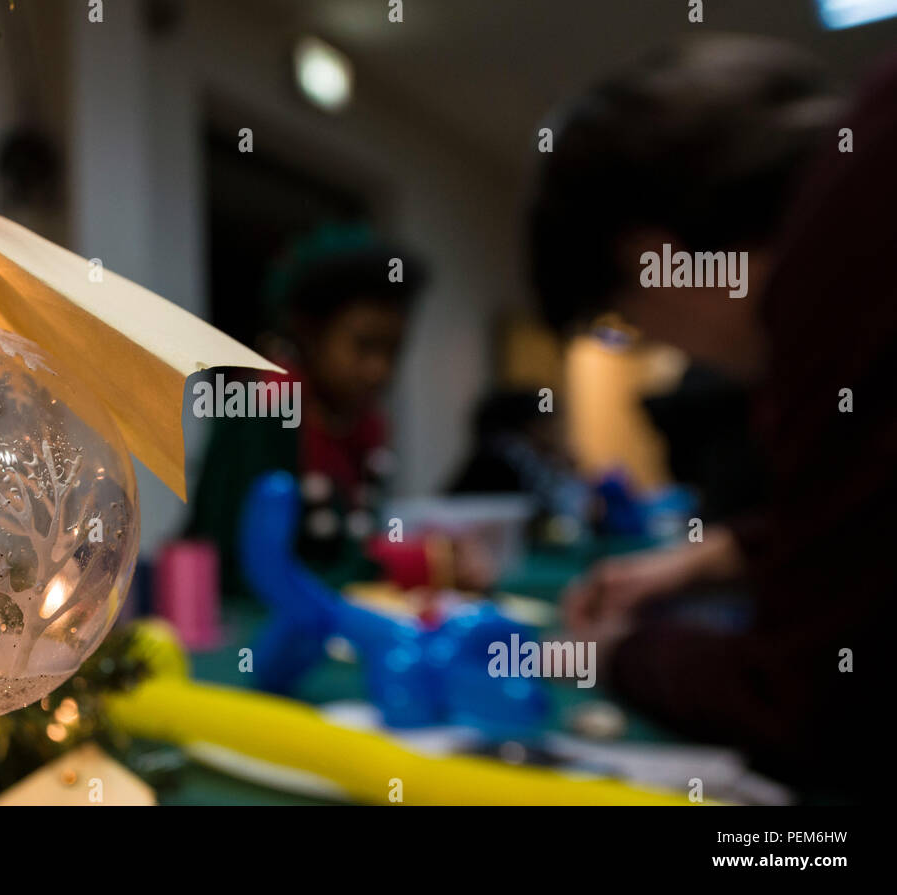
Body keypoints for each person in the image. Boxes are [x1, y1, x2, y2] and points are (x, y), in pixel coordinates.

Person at [530, 35, 885, 792]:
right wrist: (715, 554)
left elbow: (815, 708)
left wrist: (619, 652)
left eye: (629, 320)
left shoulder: (830, 277)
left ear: (650, 256)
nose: (654, 346)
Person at [187, 224, 492, 598]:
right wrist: (416, 565)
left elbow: (348, 549)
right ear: (309, 335)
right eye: (363, 347)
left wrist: (433, 555)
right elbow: (247, 576)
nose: (380, 369)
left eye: (393, 350)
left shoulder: (363, 425)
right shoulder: (260, 409)